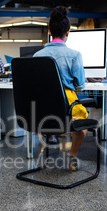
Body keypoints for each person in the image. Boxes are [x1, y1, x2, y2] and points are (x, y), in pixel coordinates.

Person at [33, 6, 88, 172]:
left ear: (49, 31)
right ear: (68, 32)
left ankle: (49, 133)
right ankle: (72, 157)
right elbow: (79, 86)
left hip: (41, 110)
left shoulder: (36, 56)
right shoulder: (74, 55)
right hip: (65, 109)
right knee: (83, 125)